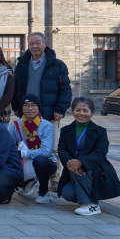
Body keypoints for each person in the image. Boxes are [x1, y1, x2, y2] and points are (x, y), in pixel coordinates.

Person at [11, 32, 71, 192]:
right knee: (27, 145)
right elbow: (16, 88)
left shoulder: (57, 65)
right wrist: (16, 106)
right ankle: (30, 177)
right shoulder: (22, 64)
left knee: (52, 147)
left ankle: (54, 179)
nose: (34, 46)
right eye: (31, 43)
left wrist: (60, 109)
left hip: (50, 113)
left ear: (45, 43)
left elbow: (65, 90)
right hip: (26, 113)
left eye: (38, 43)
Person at [57, 97, 120, 216]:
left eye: (85, 110)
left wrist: (81, 162)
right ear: (73, 111)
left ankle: (92, 204)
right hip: (72, 167)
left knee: (81, 168)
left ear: (92, 112)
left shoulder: (100, 131)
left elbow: (100, 152)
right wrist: (70, 162)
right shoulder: (66, 130)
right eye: (78, 110)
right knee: (67, 193)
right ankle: (85, 198)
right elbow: (62, 150)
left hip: (95, 168)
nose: (81, 113)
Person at [8, 94, 57, 204]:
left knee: (39, 160)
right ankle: (28, 181)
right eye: (26, 105)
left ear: (38, 107)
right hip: (24, 162)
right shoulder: (15, 125)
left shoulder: (47, 126)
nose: (30, 108)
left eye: (33, 105)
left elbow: (46, 152)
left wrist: (22, 153)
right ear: (21, 108)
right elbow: (10, 147)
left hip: (46, 163)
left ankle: (44, 192)